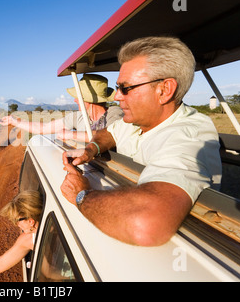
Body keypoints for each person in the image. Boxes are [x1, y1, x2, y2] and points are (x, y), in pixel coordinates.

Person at [60, 36, 222, 247]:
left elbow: (145, 224)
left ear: (164, 90)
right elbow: (109, 133)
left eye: (125, 88)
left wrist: (81, 195)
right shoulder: (137, 120)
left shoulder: (188, 136)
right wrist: (91, 149)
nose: (117, 97)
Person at [0, 74, 124, 142]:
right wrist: (14, 121)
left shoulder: (115, 113)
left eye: (78, 97)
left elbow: (109, 135)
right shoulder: (79, 116)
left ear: (89, 100)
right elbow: (43, 128)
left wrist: (70, 134)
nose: (75, 99)